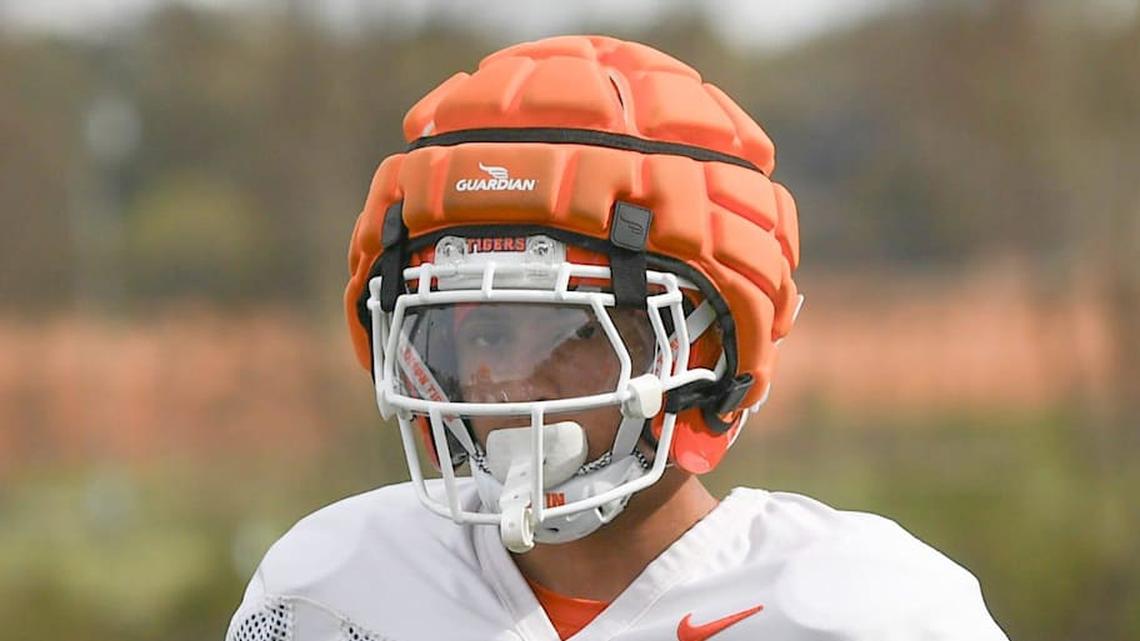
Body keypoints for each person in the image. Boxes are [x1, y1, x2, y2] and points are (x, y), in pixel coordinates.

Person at [226, 35, 1009, 641]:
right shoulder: (327, 596)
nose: (507, 376)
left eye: (570, 330)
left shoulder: (870, 610)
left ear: (707, 347)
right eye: (484, 329)